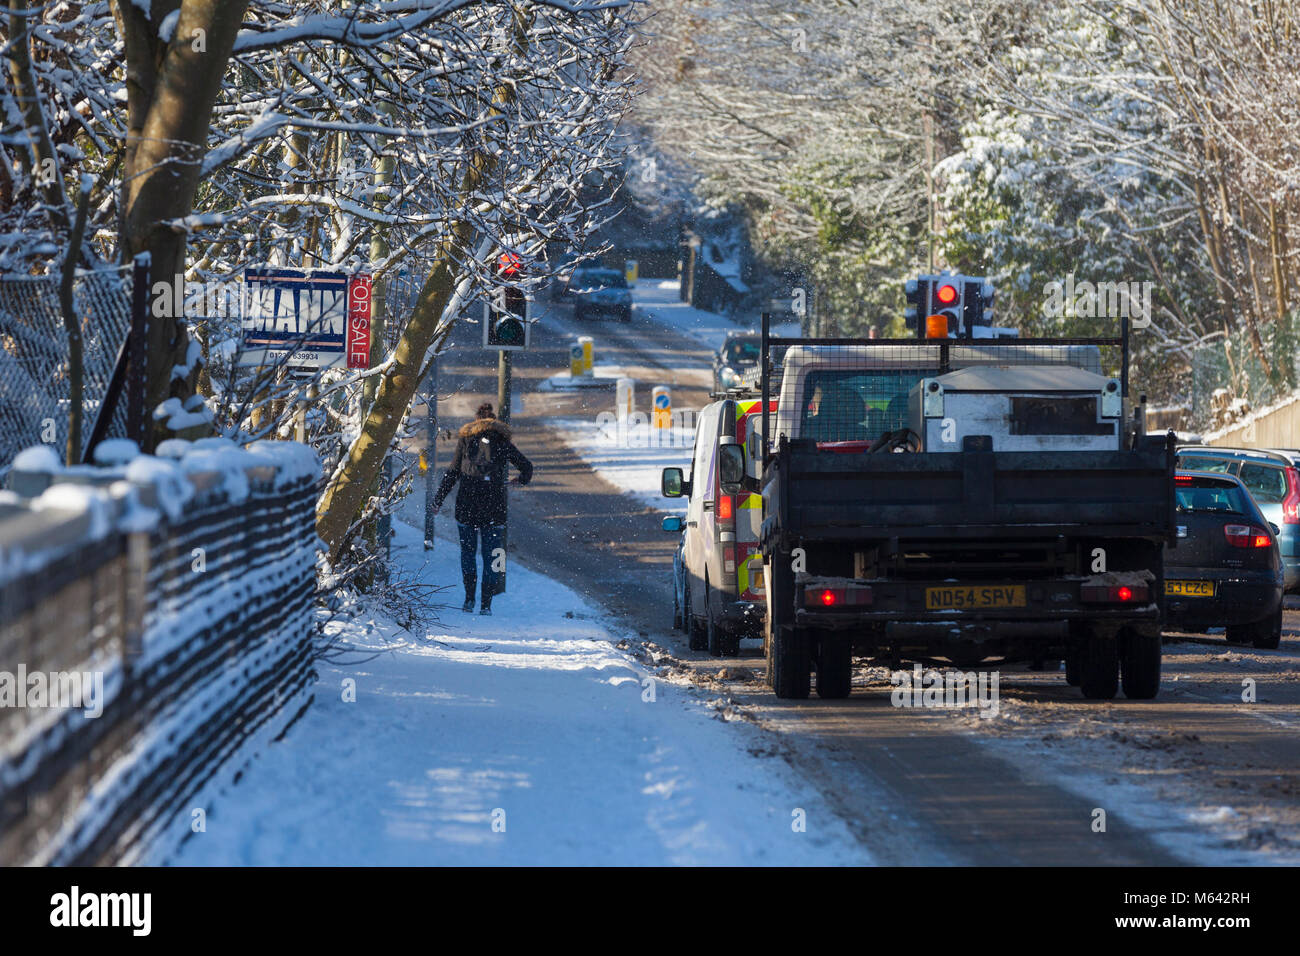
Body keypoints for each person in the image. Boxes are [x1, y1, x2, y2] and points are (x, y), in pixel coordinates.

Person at [431, 402, 533, 614]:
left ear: (476, 420)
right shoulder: (503, 442)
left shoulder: (466, 440)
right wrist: (519, 481)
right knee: (494, 555)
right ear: (495, 421)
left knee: (468, 554)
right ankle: (486, 604)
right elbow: (526, 466)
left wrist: (438, 500)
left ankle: (469, 600)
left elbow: (452, 473)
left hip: (467, 505)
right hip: (494, 507)